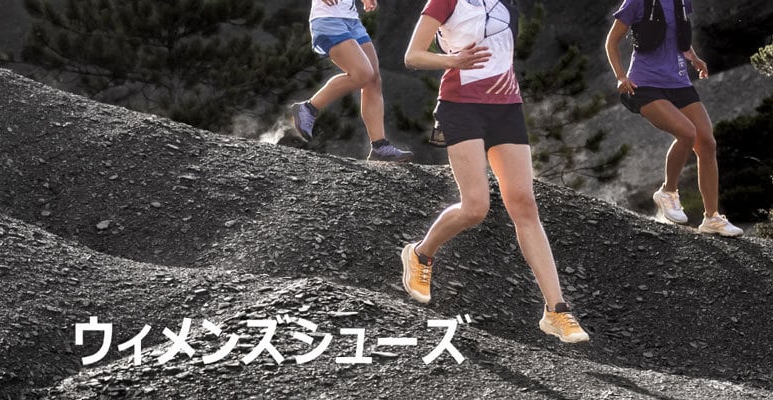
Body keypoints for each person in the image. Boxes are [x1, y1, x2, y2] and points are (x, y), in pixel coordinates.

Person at [401, 0, 590, 343]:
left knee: (524, 204)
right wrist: (453, 61)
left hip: (506, 108)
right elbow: (412, 56)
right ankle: (420, 254)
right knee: (475, 207)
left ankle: (557, 310)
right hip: (460, 106)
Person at [605, 0, 744, 237]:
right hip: (644, 84)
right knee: (687, 133)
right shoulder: (636, 2)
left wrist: (694, 58)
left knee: (707, 143)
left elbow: (677, 37)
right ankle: (668, 192)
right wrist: (620, 76)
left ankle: (712, 218)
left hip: (679, 83)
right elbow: (611, 42)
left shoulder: (681, 1)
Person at [291, 0, 413, 162]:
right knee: (363, 73)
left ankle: (380, 147)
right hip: (327, 19)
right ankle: (308, 108)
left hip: (351, 20)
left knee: (373, 80)